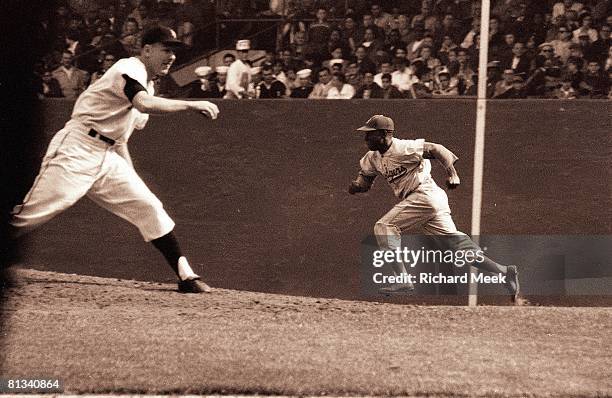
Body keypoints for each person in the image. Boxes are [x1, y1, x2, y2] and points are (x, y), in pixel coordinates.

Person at [10, 26, 220, 294]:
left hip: (107, 156)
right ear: (146, 50)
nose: (171, 57)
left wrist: (131, 176)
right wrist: (191, 104)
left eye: (174, 51)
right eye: (166, 49)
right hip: (78, 148)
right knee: (32, 214)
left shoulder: (148, 83)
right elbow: (144, 104)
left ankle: (186, 276)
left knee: (149, 206)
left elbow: (121, 139)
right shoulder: (128, 68)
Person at [348, 115, 524, 304]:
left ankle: (403, 280)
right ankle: (505, 271)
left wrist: (452, 173)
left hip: (424, 194)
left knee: (384, 227)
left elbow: (437, 148)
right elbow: (365, 181)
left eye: (370, 134)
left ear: (384, 134)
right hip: (428, 201)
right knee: (457, 247)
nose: (366, 138)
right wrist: (357, 186)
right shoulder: (372, 158)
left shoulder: (403, 147)